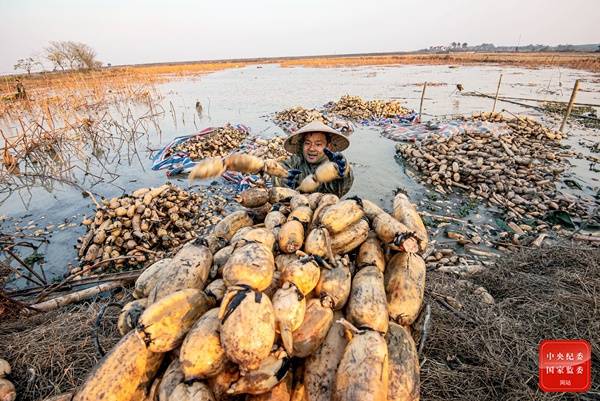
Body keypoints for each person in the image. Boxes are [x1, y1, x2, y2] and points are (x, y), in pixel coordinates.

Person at [273, 120, 354, 197]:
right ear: (302, 145)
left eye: (318, 144)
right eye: (307, 143)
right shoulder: (297, 160)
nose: (311, 148)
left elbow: (345, 182)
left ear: (328, 147)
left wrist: (344, 170)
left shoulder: (334, 164)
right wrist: (283, 179)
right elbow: (279, 169)